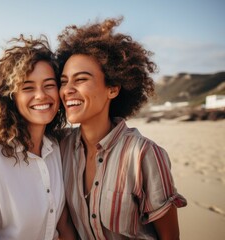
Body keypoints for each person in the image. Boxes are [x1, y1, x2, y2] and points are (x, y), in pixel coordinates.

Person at [57, 17, 187, 239]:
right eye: (63, 81)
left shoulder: (143, 154)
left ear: (113, 89)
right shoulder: (60, 148)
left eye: (80, 79)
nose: (67, 90)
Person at [0, 34, 76, 240]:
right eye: (28, 87)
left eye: (49, 85)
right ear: (10, 97)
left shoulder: (56, 147)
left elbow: (62, 224)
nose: (41, 95)